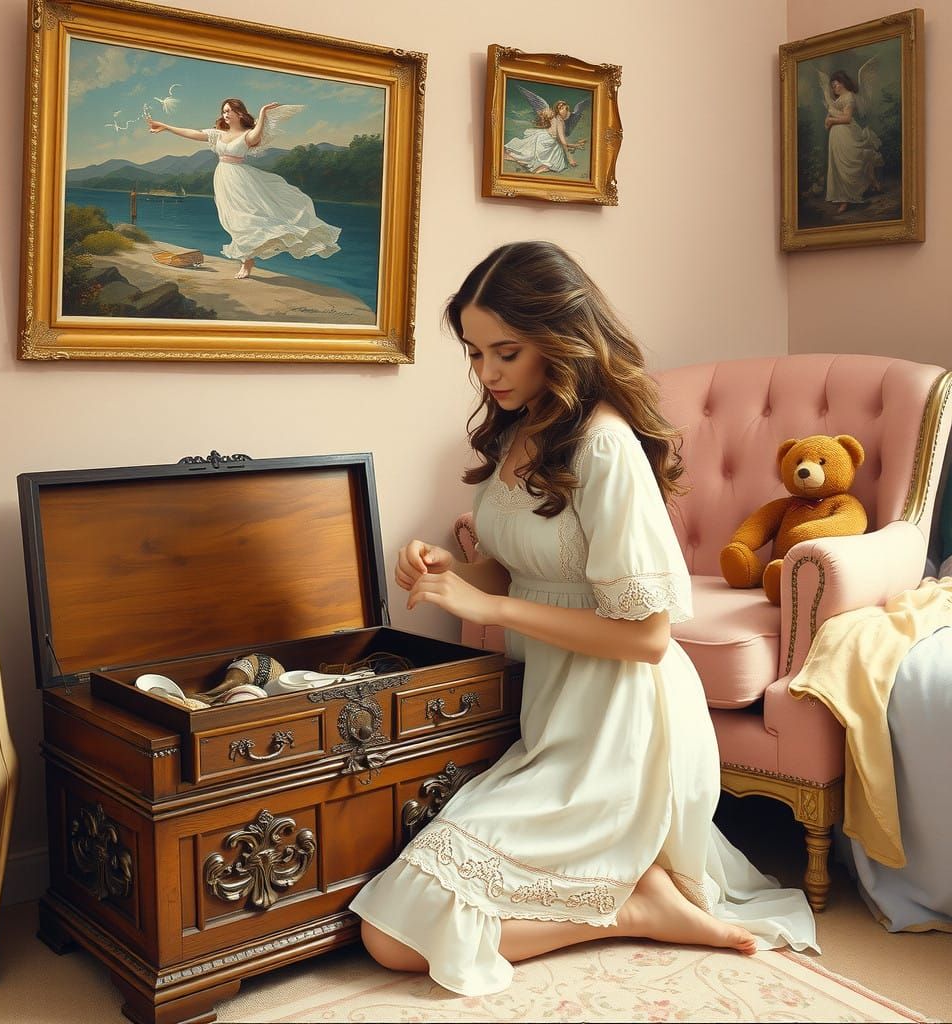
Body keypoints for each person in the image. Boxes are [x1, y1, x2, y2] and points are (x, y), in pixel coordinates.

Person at [348, 241, 818, 996]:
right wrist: (446, 570)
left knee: (392, 936)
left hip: (623, 727)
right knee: (399, 923)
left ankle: (635, 908)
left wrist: (489, 606)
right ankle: (635, 899)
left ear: (559, 339)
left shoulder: (605, 446)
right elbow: (515, 565)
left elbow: (648, 636)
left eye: (506, 351)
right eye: (474, 354)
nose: (487, 373)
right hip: (558, 715)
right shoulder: (517, 428)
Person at [145, 98, 340, 279]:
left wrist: (262, 113)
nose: (225, 114)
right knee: (232, 220)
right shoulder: (218, 134)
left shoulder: (247, 135)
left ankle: (246, 263)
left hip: (242, 180)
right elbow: (193, 133)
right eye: (224, 111)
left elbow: (256, 135)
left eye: (229, 111)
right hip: (223, 180)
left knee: (245, 219)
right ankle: (247, 259)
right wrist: (166, 127)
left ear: (240, 113)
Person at [822, 69, 883, 214]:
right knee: (838, 166)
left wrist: (831, 120)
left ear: (843, 83)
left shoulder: (849, 96)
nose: (834, 88)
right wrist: (827, 120)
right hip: (836, 137)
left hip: (847, 134)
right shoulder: (836, 100)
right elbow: (831, 119)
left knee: (849, 163)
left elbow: (847, 118)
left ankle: (849, 198)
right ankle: (844, 198)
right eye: (833, 86)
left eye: (836, 85)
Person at [503, 95, 585, 174]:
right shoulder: (560, 121)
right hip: (546, 140)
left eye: (566, 108)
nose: (564, 110)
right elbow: (563, 142)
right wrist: (570, 159)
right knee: (557, 160)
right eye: (561, 108)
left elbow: (560, 140)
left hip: (543, 136)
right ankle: (540, 166)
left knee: (527, 154)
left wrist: (574, 145)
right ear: (557, 110)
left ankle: (532, 163)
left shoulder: (555, 117)